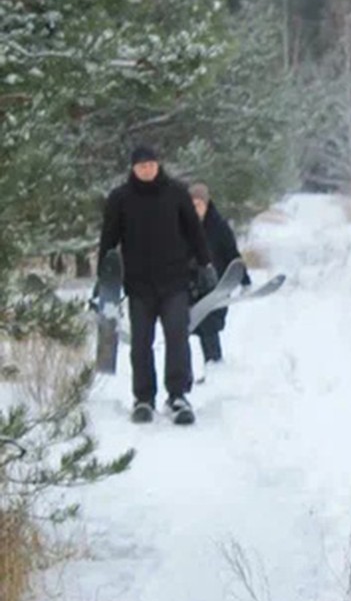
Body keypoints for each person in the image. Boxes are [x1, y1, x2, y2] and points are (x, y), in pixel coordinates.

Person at [98, 145, 213, 425]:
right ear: (133, 169)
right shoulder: (120, 198)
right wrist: (105, 276)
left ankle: (177, 396)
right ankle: (143, 398)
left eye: (150, 164)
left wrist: (205, 263)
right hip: (139, 285)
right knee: (141, 343)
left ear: (158, 165)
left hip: (174, 281)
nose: (146, 169)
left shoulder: (176, 193)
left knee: (177, 338)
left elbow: (194, 231)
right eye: (141, 166)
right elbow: (109, 238)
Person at [188, 182, 248, 371]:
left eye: (198, 204)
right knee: (188, 328)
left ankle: (214, 365)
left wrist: (244, 278)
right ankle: (185, 378)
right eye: (191, 205)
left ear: (206, 204)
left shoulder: (218, 226)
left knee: (210, 325)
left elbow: (232, 253)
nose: (195, 209)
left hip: (217, 284)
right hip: (191, 285)